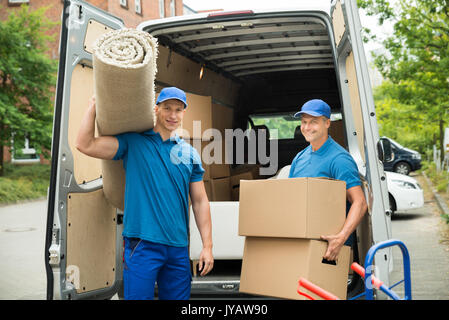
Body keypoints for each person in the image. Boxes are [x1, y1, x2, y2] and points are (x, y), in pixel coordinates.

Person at [75, 87, 214, 300]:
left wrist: (207, 246)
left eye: (178, 109)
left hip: (178, 248)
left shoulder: (190, 154)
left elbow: (200, 201)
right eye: (167, 108)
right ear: (156, 109)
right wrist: (93, 105)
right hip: (141, 245)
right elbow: (85, 144)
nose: (173, 115)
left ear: (184, 113)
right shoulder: (134, 142)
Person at [288, 99, 367, 261]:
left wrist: (341, 238)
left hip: (328, 247)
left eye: (313, 122)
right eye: (304, 122)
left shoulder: (339, 159)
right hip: (301, 241)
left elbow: (360, 202)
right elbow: (291, 198)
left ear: (327, 123)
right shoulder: (299, 157)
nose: (307, 127)